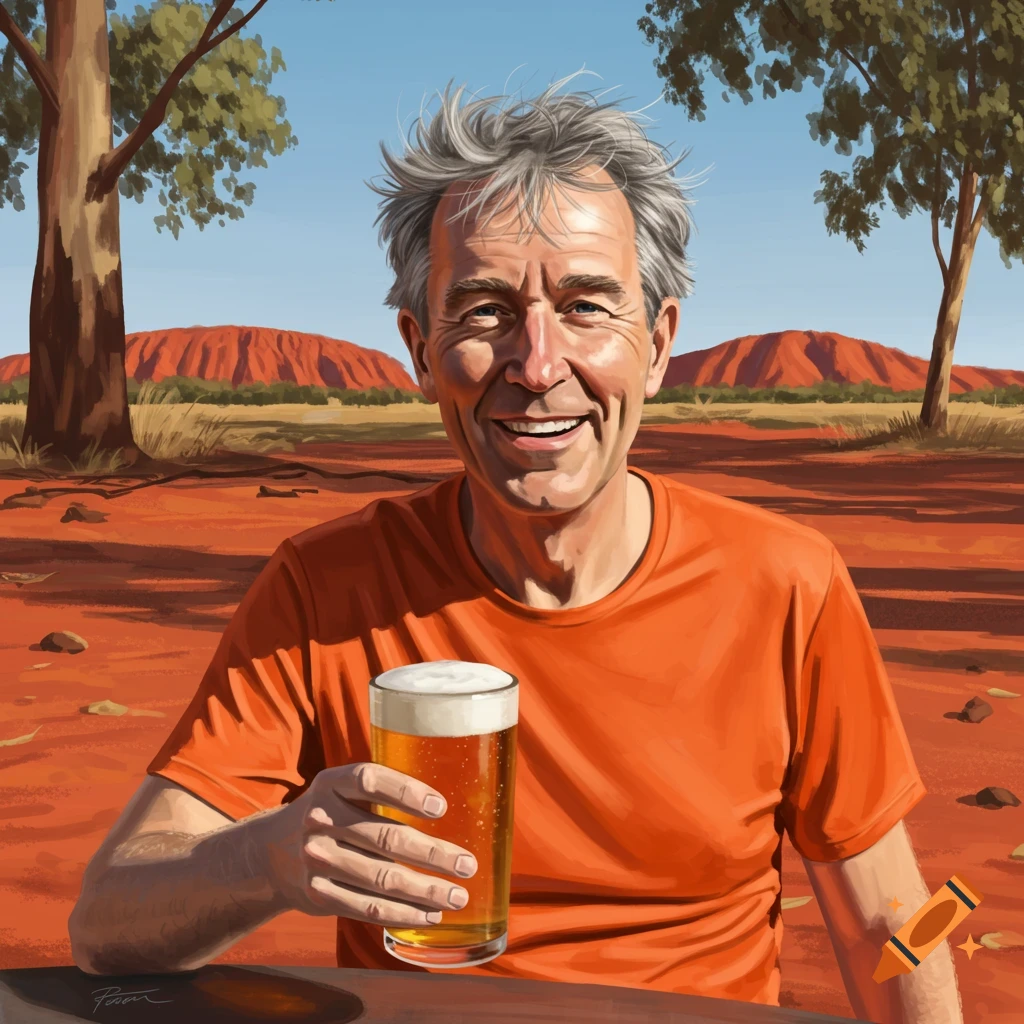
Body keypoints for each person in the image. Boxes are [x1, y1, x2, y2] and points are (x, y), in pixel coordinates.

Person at [68, 75, 962, 1022]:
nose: (537, 368)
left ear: (658, 346)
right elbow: (105, 920)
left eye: (586, 307)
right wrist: (268, 859)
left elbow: (896, 924)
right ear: (418, 349)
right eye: (485, 310)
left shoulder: (789, 584)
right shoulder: (326, 591)